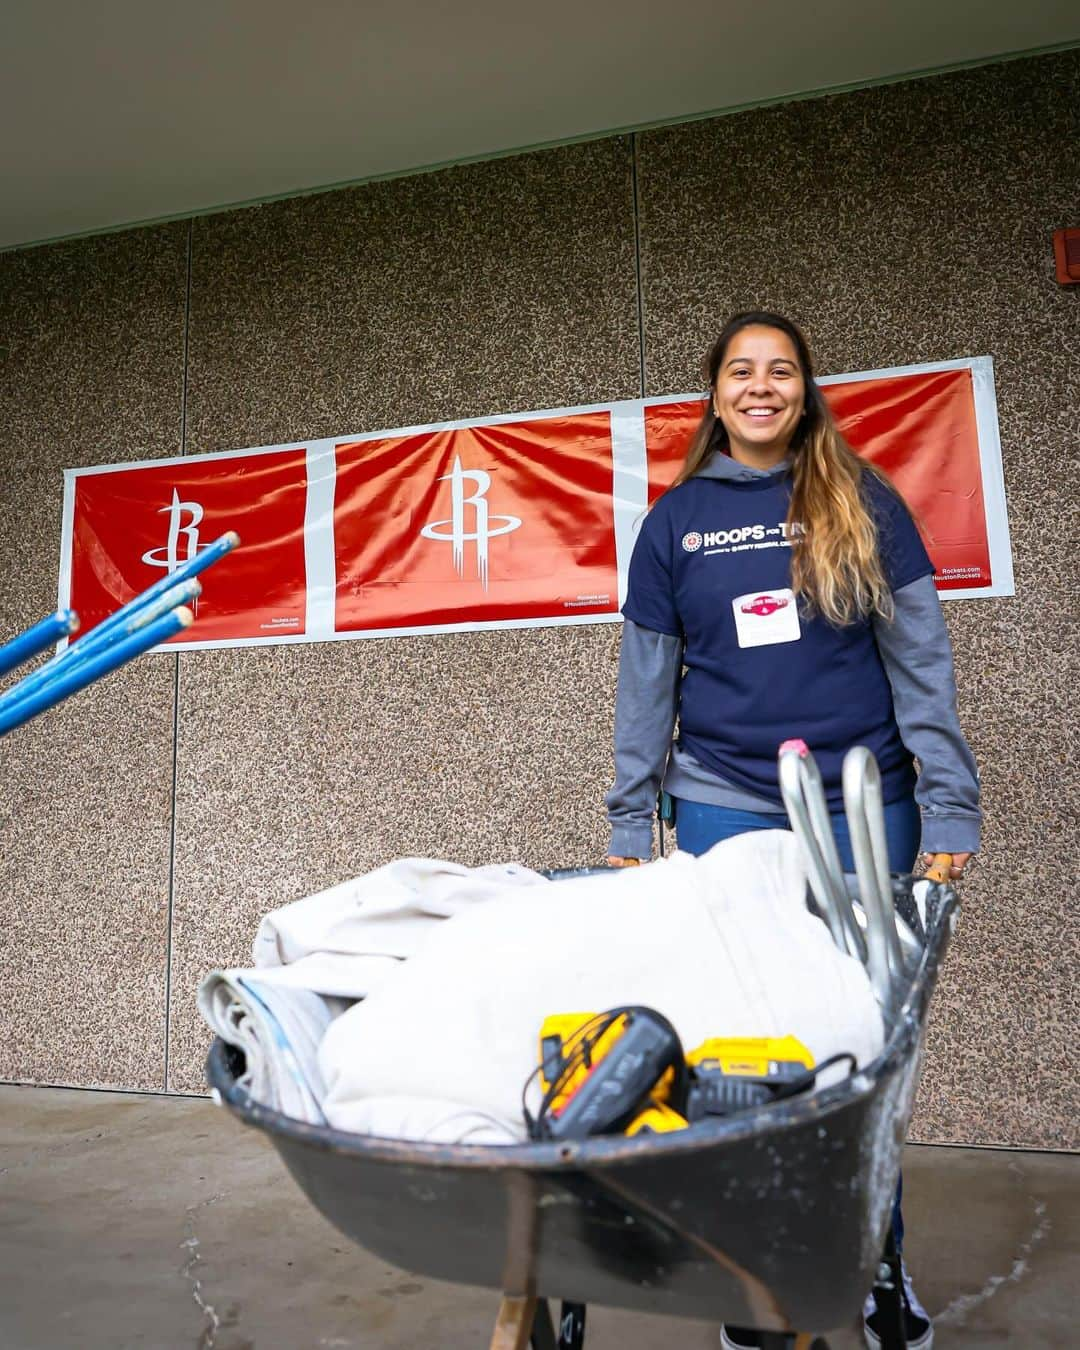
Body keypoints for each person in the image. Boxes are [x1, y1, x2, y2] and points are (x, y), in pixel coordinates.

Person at [605, 311, 980, 1350]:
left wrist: (950, 803)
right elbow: (646, 692)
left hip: (866, 803)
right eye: (741, 371)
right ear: (715, 392)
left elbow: (922, 669)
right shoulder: (673, 524)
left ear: (804, 389)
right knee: (743, 1053)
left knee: (864, 1050)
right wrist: (631, 820)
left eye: (780, 371)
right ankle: (760, 1287)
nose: (761, 387)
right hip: (723, 804)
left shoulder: (863, 502)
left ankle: (876, 1275)